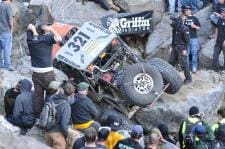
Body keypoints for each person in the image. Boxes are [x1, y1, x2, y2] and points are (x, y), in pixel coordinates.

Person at [27, 23, 62, 118]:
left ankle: (37, 116)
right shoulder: (47, 39)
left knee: (38, 95)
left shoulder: (30, 40)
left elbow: (32, 34)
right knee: (52, 93)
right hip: (47, 74)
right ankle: (49, 114)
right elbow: (59, 38)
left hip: (36, 74)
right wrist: (50, 29)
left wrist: (33, 29)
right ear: (44, 32)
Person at [45, 81, 71, 149]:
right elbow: (64, 124)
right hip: (57, 134)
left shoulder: (50, 98)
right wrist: (67, 136)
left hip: (47, 132)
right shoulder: (65, 105)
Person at [168, 11, 192, 85]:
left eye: (173, 20)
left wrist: (185, 49)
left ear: (177, 20)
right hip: (175, 47)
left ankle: (188, 78)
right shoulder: (174, 29)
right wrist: (171, 47)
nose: (172, 22)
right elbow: (173, 38)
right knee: (171, 62)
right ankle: (169, 77)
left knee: (183, 64)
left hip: (181, 48)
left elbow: (188, 40)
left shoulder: (185, 29)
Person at [183, 6, 201, 73]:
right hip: (186, 38)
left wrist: (195, 26)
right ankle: (187, 68)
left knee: (194, 53)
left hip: (194, 38)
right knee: (186, 54)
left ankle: (194, 67)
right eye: (186, 10)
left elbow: (199, 28)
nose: (187, 11)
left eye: (188, 10)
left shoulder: (194, 18)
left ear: (190, 10)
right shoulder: (184, 19)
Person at [0, 0, 15, 71]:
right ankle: (7, 65)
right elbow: (10, 18)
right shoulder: (8, 6)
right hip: (6, 31)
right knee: (7, 48)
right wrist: (12, 27)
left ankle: (0, 64)